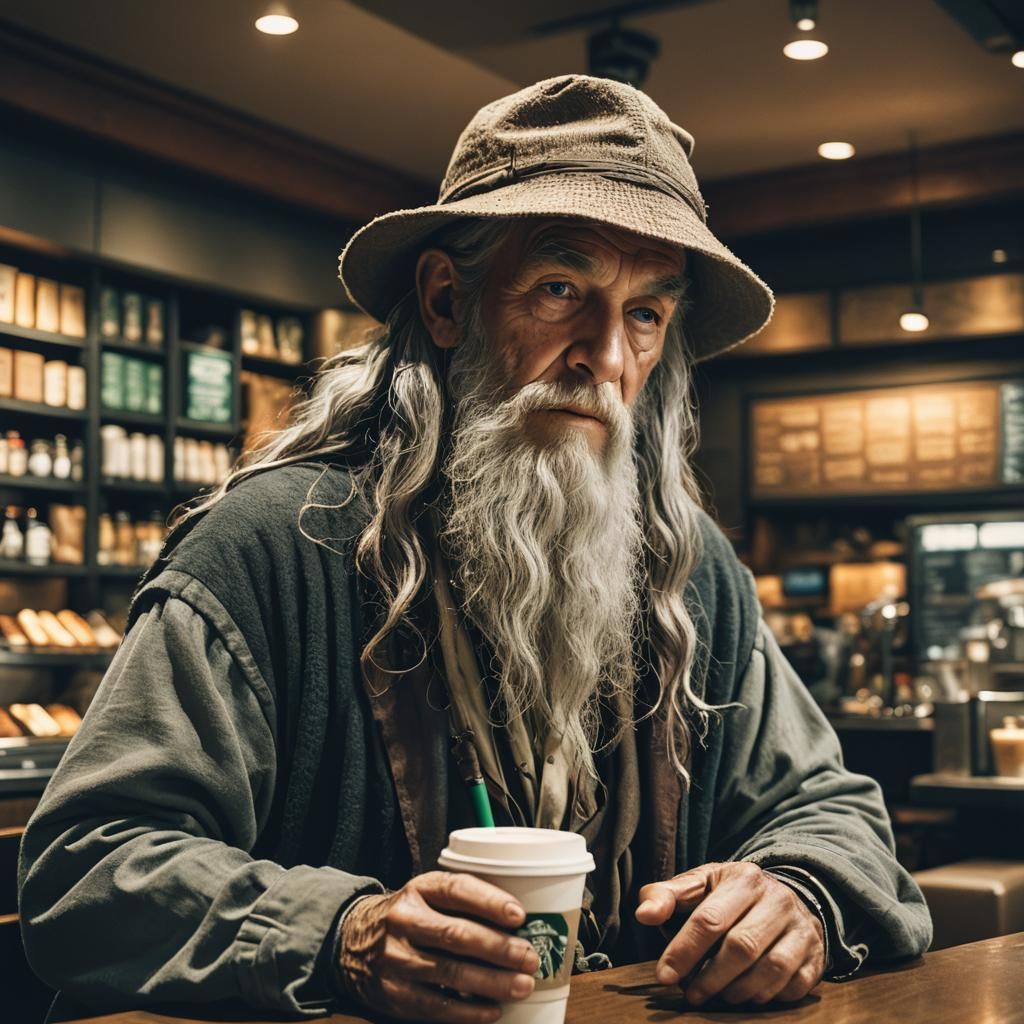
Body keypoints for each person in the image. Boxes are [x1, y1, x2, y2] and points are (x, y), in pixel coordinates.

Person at [19, 75, 931, 1023]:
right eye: (560, 289)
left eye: (646, 315)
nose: (605, 357)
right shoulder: (270, 548)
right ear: (448, 301)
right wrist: (340, 936)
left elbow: (837, 815)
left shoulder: (688, 569)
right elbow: (88, 865)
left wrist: (802, 895)